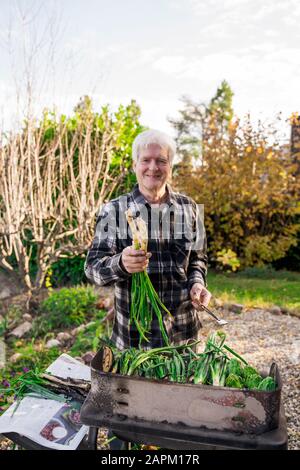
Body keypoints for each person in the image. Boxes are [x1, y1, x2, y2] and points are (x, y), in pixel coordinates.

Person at [84, 129, 211, 350]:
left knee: (183, 385)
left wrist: (197, 284)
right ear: (135, 165)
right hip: (135, 337)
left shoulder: (190, 208)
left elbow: (198, 259)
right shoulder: (113, 210)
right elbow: (92, 269)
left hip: (183, 334)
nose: (153, 167)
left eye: (161, 161)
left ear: (170, 166)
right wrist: (121, 264)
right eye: (146, 160)